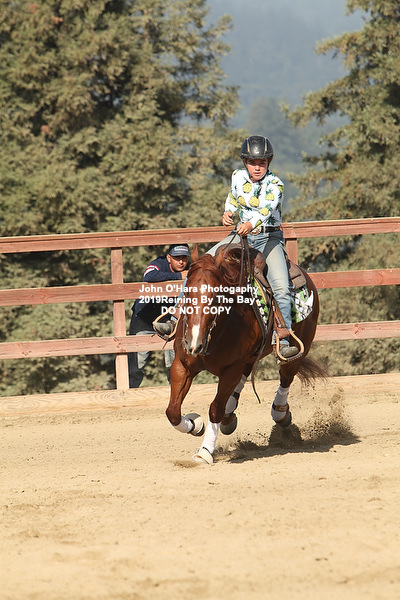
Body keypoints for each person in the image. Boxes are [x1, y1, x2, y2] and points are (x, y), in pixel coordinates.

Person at [154, 135, 298, 359]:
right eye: (252, 162)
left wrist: (250, 223)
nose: (257, 167)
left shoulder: (275, 184)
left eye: (261, 162)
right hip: (240, 236)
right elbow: (233, 196)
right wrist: (228, 211)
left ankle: (283, 337)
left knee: (280, 285)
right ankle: (175, 317)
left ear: (268, 162)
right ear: (245, 162)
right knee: (199, 268)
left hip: (269, 237)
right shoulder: (237, 177)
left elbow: (267, 208)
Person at [128, 243, 190, 387]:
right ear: (169, 258)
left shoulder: (190, 268)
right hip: (144, 318)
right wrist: (178, 276)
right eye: (177, 258)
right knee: (137, 363)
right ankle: (128, 393)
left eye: (184, 258)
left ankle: (175, 395)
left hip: (171, 321)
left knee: (174, 363)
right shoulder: (158, 263)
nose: (181, 261)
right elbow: (149, 275)